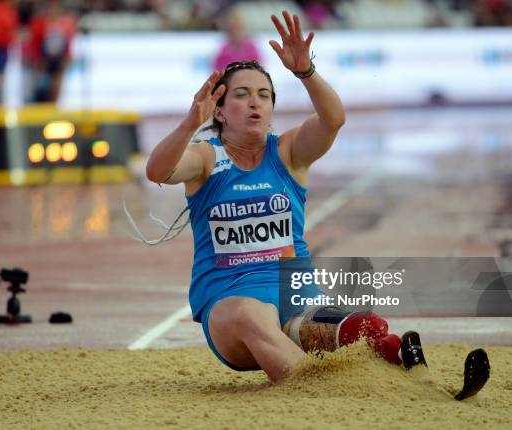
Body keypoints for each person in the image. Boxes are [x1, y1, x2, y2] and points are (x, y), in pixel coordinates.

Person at [145, 10, 424, 382]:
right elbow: (157, 171)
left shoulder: (289, 152)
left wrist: (305, 72)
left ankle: (408, 375)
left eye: (264, 95)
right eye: (242, 95)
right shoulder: (206, 158)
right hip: (231, 305)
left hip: (296, 298)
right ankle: (322, 390)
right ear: (221, 111)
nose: (255, 102)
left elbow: (333, 120)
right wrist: (188, 124)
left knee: (361, 328)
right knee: (252, 315)